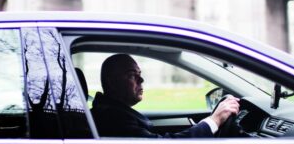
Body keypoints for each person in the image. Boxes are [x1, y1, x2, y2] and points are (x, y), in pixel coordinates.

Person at [91, 54, 240, 138]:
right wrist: (214, 120)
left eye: (140, 74)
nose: (141, 80)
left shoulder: (112, 112)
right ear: (112, 82)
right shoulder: (113, 119)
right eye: (131, 75)